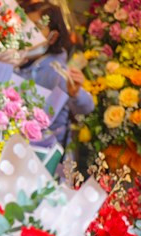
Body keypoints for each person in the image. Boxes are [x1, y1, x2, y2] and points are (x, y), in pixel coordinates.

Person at [18, 2, 94, 148]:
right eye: (25, 26)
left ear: (53, 37)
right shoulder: (16, 61)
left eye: (36, 28)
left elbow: (87, 107)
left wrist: (75, 94)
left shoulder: (57, 69)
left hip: (43, 151)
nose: (27, 34)